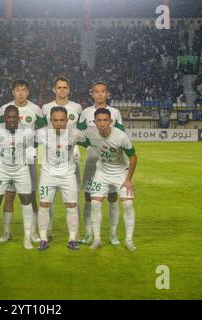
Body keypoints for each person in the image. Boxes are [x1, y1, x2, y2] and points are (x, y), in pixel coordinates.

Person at [0, 80, 46, 243]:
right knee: (8, 196)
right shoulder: (4, 109)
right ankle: (7, 232)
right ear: (13, 92)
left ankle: (32, 232)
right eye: (17, 90)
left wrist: (31, 146)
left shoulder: (35, 109)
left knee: (31, 195)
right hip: (7, 160)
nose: (20, 93)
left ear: (28, 92)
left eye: (23, 90)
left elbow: (43, 130)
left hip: (28, 159)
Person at [82, 108, 138, 251]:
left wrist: (129, 179)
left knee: (128, 204)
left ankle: (129, 240)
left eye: (105, 120)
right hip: (101, 172)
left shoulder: (121, 137)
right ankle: (97, 239)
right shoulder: (90, 134)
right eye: (99, 121)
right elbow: (74, 137)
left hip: (121, 173)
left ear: (111, 121)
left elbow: (133, 157)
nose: (102, 124)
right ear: (94, 122)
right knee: (94, 203)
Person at [77, 81, 124, 245]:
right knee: (89, 196)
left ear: (107, 94)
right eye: (96, 92)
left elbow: (121, 135)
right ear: (92, 94)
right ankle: (89, 233)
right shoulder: (86, 113)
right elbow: (80, 135)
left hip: (111, 161)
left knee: (112, 196)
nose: (99, 94)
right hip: (92, 159)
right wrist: (91, 145)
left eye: (102, 92)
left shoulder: (115, 113)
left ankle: (113, 234)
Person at [36, 107, 89, 251]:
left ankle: (72, 239)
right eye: (55, 120)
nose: (58, 123)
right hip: (48, 175)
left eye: (62, 120)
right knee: (44, 204)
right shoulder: (42, 133)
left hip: (67, 175)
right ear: (50, 120)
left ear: (67, 120)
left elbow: (92, 141)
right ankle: (43, 239)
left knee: (72, 206)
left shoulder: (75, 133)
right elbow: (33, 145)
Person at [0, 105, 36, 250]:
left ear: (19, 117)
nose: (12, 120)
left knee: (27, 201)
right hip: (1, 169)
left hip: (21, 169)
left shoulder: (27, 130)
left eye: (14, 117)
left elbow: (33, 144)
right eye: (9, 117)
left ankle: (27, 238)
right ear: (4, 118)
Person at [41, 76, 83, 241]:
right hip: (51, 155)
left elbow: (79, 132)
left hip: (72, 155)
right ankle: (48, 229)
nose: (62, 90)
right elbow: (42, 129)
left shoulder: (77, 107)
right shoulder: (46, 107)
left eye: (65, 87)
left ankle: (75, 232)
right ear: (54, 89)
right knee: (47, 197)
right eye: (59, 87)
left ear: (69, 89)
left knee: (74, 196)